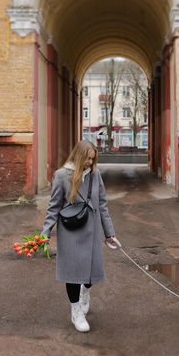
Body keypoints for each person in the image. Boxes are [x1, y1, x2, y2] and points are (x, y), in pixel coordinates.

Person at [41, 140, 116, 332]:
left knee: (90, 273)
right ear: (78, 156)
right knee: (73, 273)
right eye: (88, 158)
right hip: (70, 231)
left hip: (91, 231)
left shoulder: (95, 174)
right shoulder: (61, 175)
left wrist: (109, 233)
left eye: (93, 159)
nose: (90, 162)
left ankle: (86, 292)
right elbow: (53, 207)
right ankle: (76, 311)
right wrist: (45, 232)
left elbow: (102, 205)